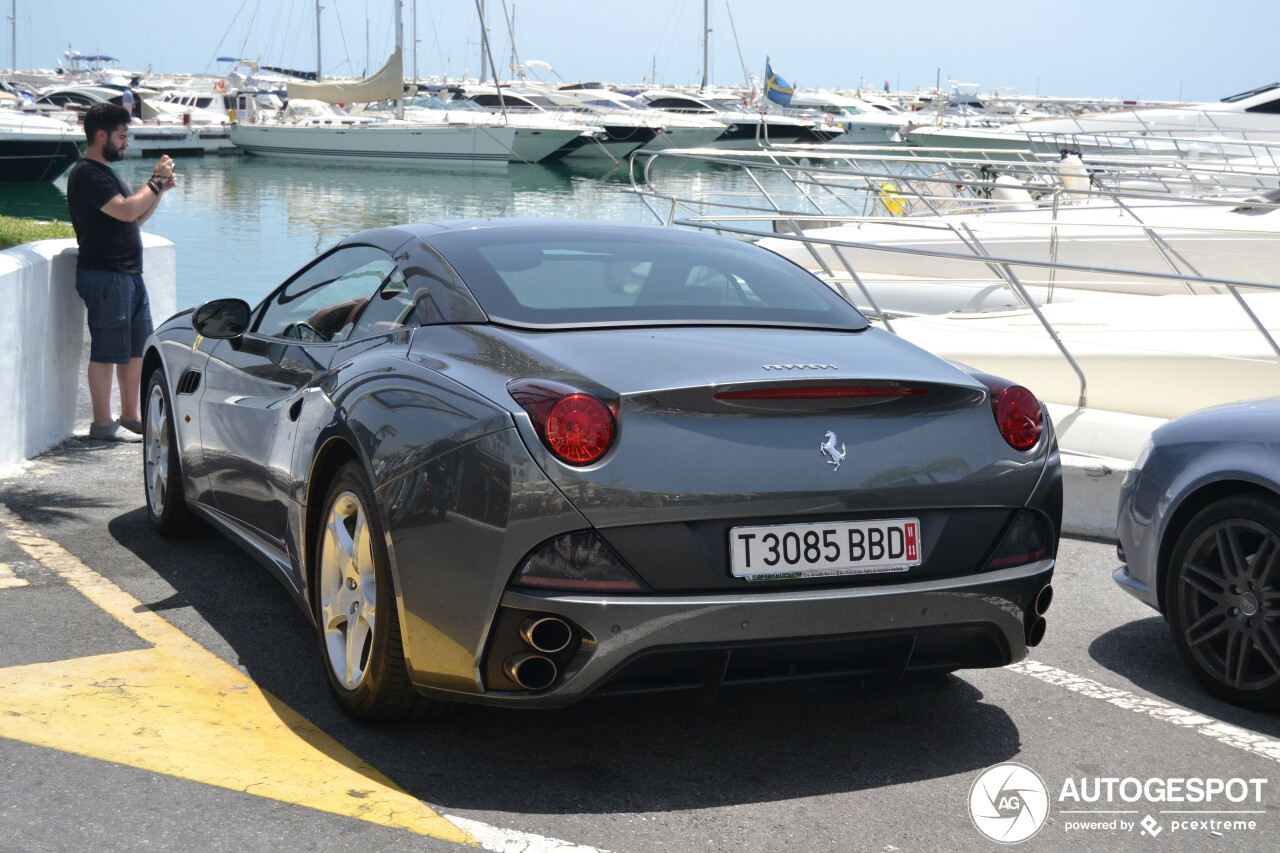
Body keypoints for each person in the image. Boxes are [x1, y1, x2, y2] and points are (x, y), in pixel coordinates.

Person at [66, 102, 177, 442]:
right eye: (122, 136)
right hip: (106, 274)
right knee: (107, 351)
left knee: (134, 351)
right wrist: (154, 182)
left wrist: (159, 191)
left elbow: (135, 217)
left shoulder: (105, 172)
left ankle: (131, 417)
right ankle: (102, 424)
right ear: (102, 135)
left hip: (128, 274)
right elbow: (127, 210)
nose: (126, 143)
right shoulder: (86, 173)